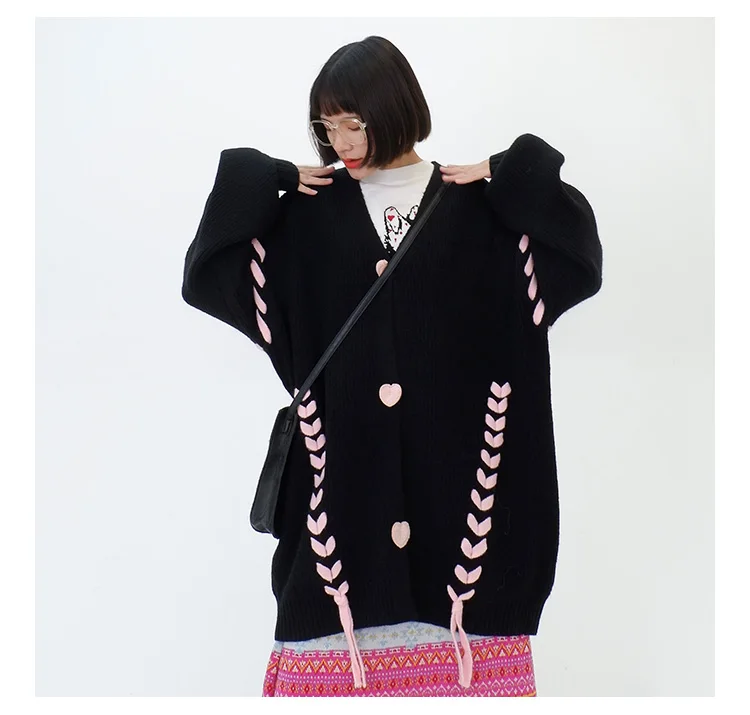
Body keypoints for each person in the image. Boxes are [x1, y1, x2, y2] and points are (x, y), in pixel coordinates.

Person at [181, 35, 603, 697]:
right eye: (328, 127)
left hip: (467, 566)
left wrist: (513, 168)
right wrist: (263, 177)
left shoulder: (482, 213)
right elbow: (210, 271)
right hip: (337, 549)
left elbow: (578, 254)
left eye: (355, 123)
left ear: (396, 109)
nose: (341, 142)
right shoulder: (305, 221)